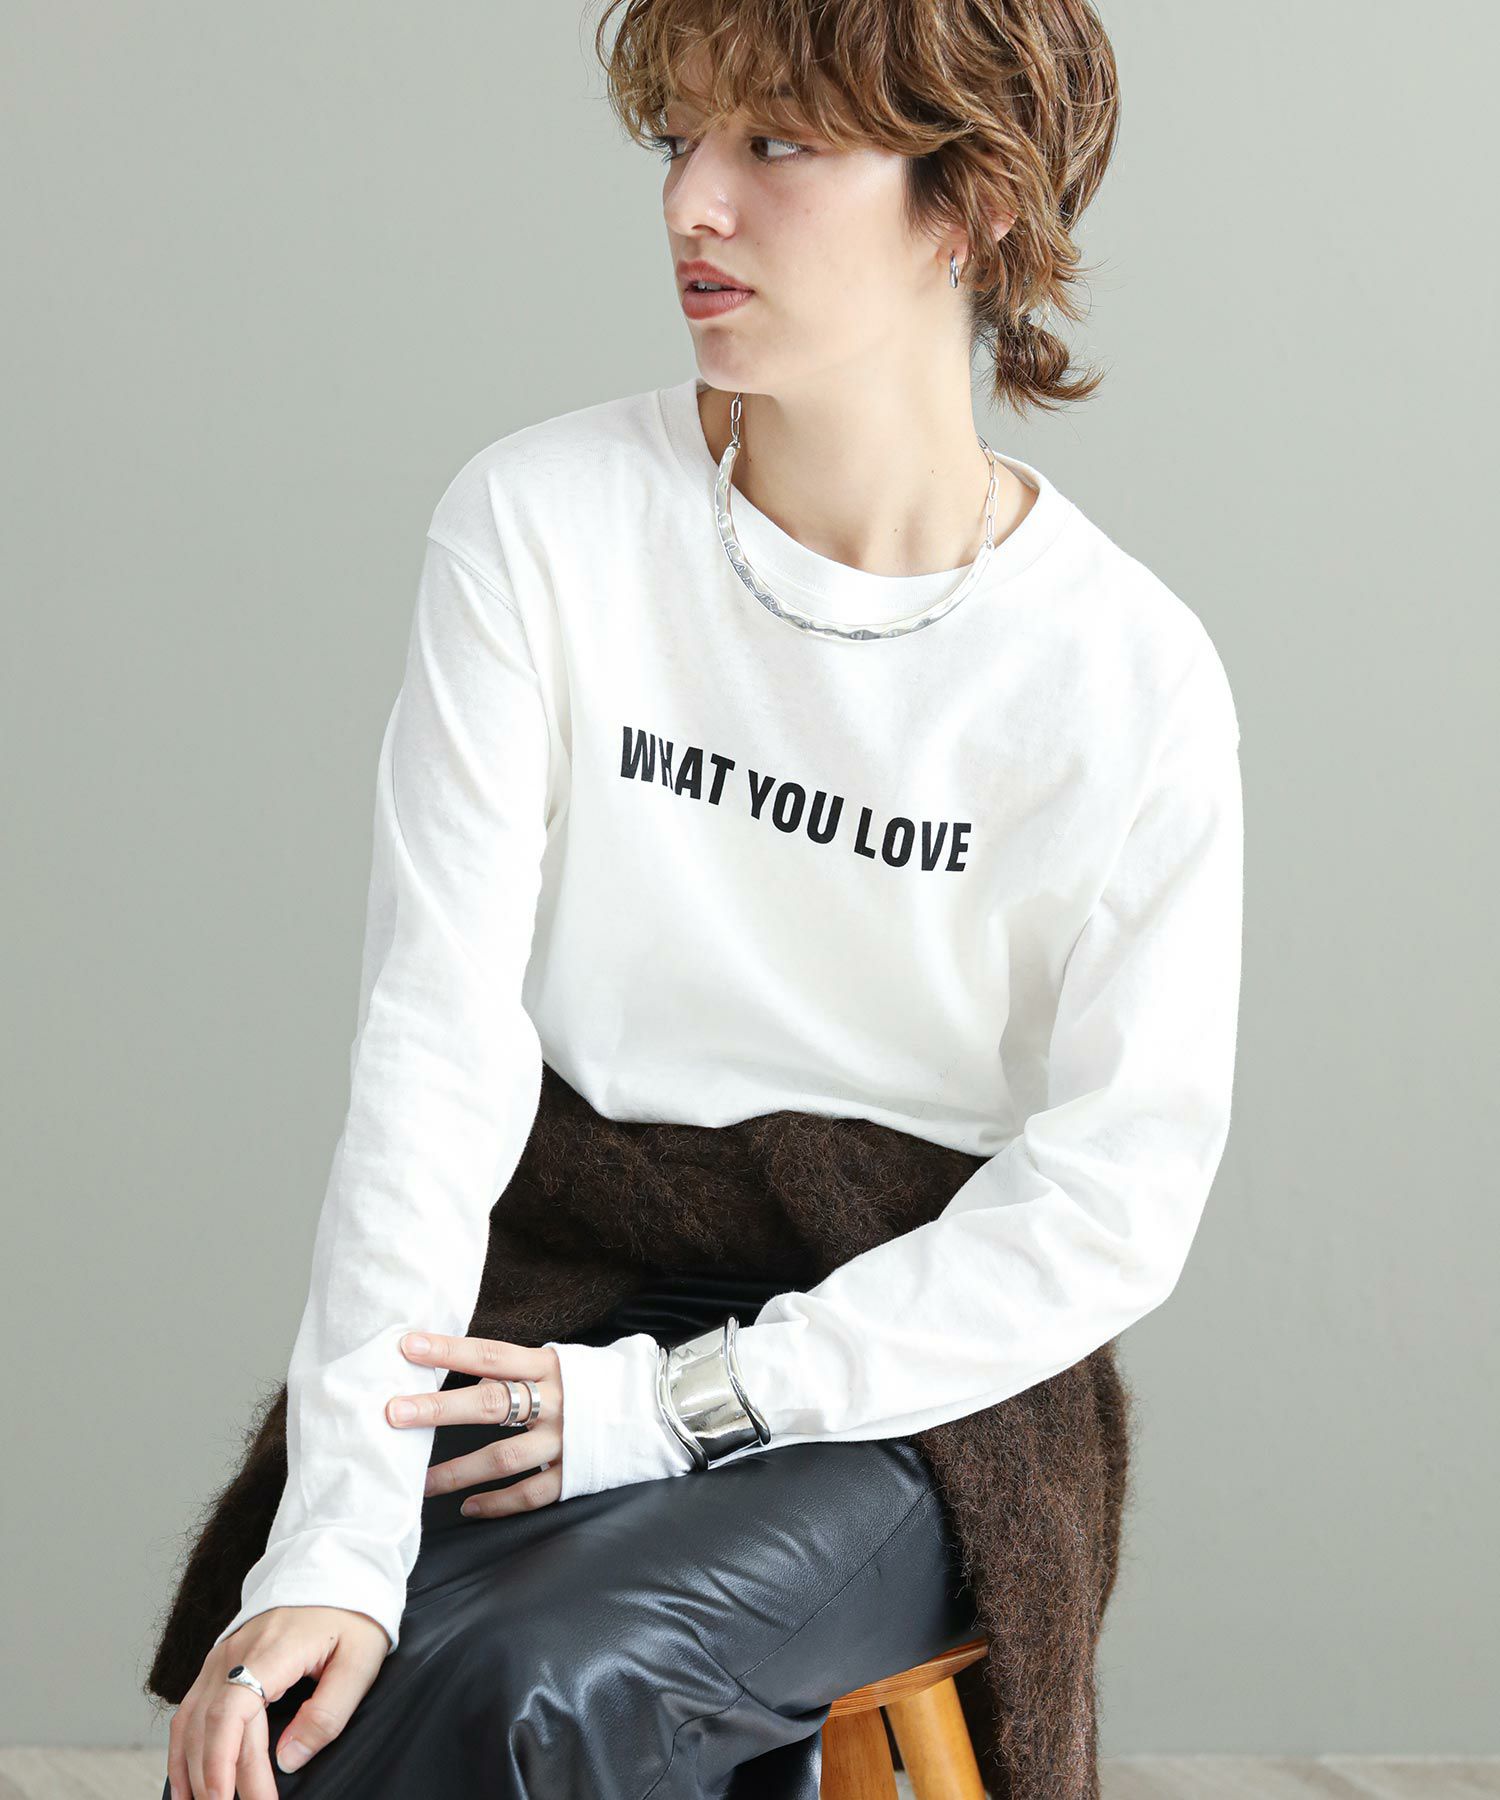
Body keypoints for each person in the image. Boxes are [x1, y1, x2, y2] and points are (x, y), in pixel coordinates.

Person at [159, 1, 1243, 1795]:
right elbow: (435, 1054)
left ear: (971, 201)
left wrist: (678, 1408)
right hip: (560, 1277)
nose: (692, 202)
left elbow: (1114, 1198)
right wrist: (334, 1536)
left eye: (778, 145)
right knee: (310, 1699)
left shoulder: (1124, 674)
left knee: (538, 1687)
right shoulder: (543, 526)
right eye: (681, 140)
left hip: (920, 1366)